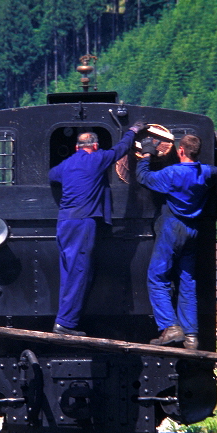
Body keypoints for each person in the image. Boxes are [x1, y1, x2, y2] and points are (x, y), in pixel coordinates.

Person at [49, 122, 145, 335]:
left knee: (68, 271)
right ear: (95, 146)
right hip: (84, 222)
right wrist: (133, 131)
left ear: (76, 147)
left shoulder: (66, 165)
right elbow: (120, 149)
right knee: (79, 271)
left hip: (64, 223)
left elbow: (52, 175)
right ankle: (65, 323)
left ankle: (64, 319)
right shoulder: (98, 158)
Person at [135, 133, 217, 349]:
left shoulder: (172, 173)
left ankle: (170, 326)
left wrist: (146, 154)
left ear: (180, 151)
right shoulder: (208, 173)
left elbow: (143, 177)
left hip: (172, 228)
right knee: (187, 281)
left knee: (157, 277)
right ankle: (191, 335)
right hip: (193, 230)